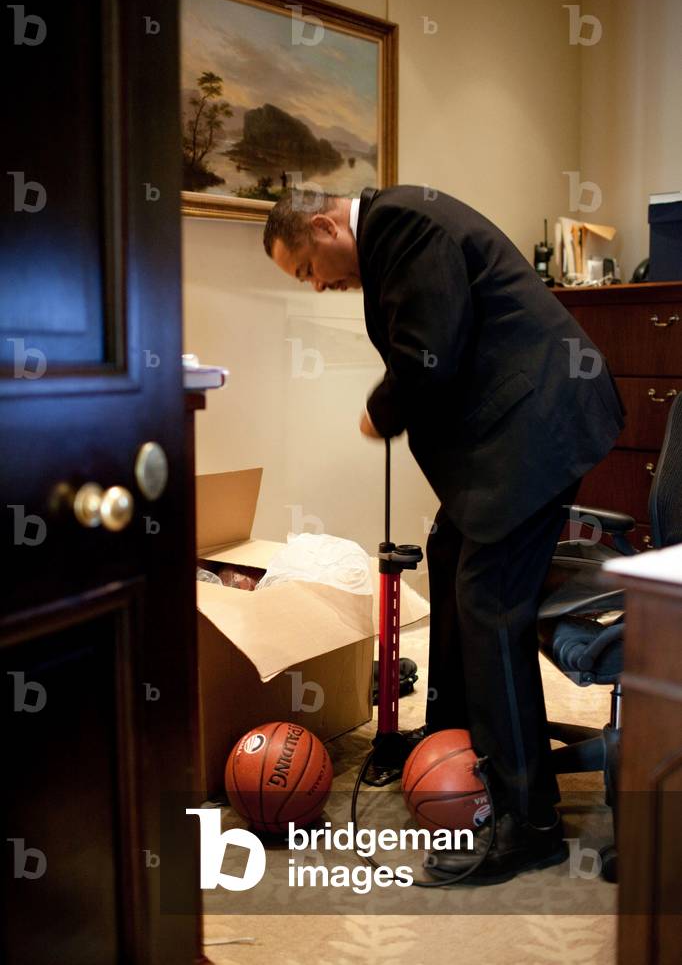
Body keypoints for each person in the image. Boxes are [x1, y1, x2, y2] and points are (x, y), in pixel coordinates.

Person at [263, 185, 625, 884]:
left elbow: (431, 351)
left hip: (543, 423)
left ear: (322, 224)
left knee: (489, 600)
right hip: (525, 427)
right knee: (450, 549)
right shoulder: (398, 230)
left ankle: (529, 822)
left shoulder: (401, 225)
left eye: (308, 265)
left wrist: (379, 409)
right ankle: (459, 745)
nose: (319, 283)